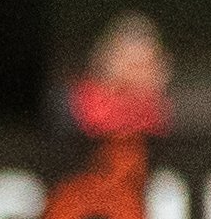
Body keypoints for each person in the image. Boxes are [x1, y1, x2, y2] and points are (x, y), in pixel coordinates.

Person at [66, 11, 171, 139]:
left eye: (145, 65)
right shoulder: (87, 106)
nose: (137, 75)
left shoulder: (156, 110)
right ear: (108, 59)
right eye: (131, 65)